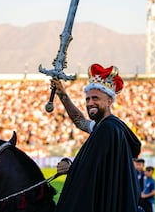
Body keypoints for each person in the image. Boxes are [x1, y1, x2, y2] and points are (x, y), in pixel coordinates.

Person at [51, 63, 142, 212]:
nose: (90, 103)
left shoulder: (107, 129)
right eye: (87, 99)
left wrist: (71, 167)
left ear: (109, 101)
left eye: (95, 98)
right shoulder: (107, 126)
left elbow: (90, 169)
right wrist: (62, 94)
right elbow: (80, 121)